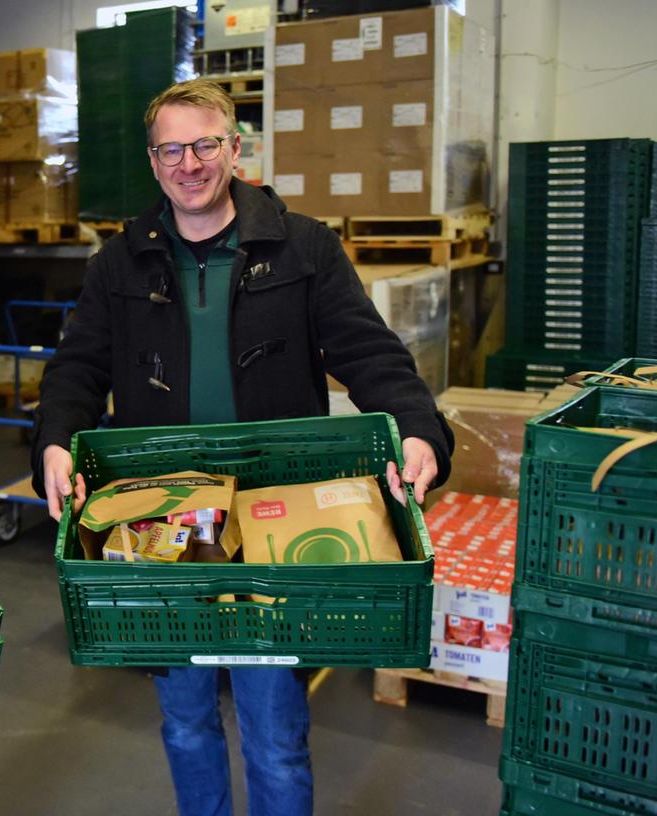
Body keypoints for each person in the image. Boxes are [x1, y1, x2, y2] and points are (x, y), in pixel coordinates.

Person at [31, 78, 453, 816]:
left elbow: (367, 353)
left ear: (235, 147)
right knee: (186, 719)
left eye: (203, 144)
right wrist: (56, 440)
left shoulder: (301, 247)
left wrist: (418, 428)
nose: (187, 163)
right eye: (170, 148)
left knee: (274, 729)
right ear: (151, 157)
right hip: (162, 521)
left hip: (269, 518)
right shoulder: (119, 260)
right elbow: (77, 368)